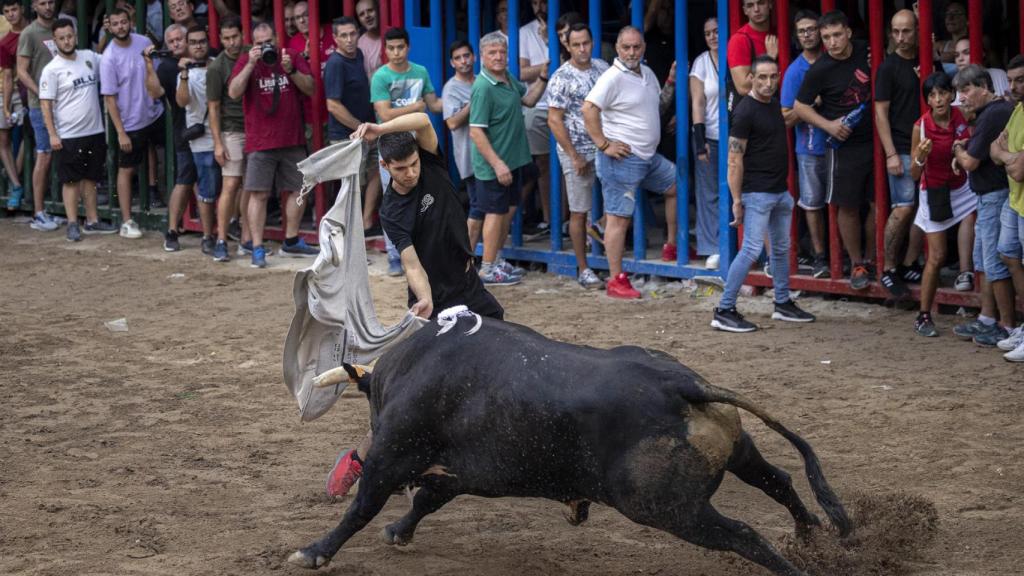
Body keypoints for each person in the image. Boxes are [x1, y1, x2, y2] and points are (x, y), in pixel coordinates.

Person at [325, 111, 505, 499]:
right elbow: (410, 262)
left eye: (413, 164)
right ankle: (359, 458)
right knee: (415, 397)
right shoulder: (392, 211)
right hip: (437, 304)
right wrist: (424, 297)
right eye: (401, 168)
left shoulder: (432, 164)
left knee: (501, 363)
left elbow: (423, 119)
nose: (410, 173)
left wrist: (378, 129)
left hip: (471, 290)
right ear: (385, 167)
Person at [711, 55, 814, 332]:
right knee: (751, 250)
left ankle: (782, 302)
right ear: (751, 79)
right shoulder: (745, 111)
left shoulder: (771, 106)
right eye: (763, 78)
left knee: (780, 249)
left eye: (773, 77)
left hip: (779, 191)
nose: (769, 83)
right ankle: (724, 308)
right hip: (756, 193)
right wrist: (736, 200)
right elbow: (734, 159)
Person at [583, 26, 678, 299]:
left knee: (675, 186)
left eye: (636, 47)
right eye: (626, 47)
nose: (632, 52)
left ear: (644, 47)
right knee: (619, 221)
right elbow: (588, 108)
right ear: (618, 49)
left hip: (646, 157)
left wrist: (670, 82)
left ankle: (672, 246)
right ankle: (615, 280)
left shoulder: (646, 73)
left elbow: (656, 107)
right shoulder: (612, 77)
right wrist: (603, 144)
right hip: (622, 158)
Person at [795, 10, 876, 290]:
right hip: (843, 147)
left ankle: (874, 258)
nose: (832, 42)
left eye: (837, 34)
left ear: (849, 33)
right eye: (826, 36)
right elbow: (799, 106)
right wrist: (828, 126)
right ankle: (857, 263)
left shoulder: (868, 49)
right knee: (848, 205)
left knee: (878, 203)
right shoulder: (820, 68)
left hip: (876, 141)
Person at [227, 21, 319, 268]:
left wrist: (292, 71)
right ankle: (257, 247)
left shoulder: (292, 57)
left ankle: (291, 240)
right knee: (258, 194)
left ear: (277, 39)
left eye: (269, 42)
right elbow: (234, 92)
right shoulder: (246, 61)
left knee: (299, 189)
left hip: (291, 138)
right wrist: (249, 63)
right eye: (259, 43)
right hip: (261, 141)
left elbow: (310, 88)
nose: (265, 47)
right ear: (252, 43)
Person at [469, 31, 546, 286]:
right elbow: (476, 131)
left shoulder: (507, 79)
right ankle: (487, 269)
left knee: (505, 213)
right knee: (494, 213)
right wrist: (497, 163)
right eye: (492, 52)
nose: (498, 56)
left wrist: (543, 77)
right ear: (482, 56)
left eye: (502, 52)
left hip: (512, 161)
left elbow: (529, 100)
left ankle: (496, 261)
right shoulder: (482, 87)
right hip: (495, 166)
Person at [950, 64, 1017, 346]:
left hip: (994, 195)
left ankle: (1005, 325)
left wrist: (957, 149)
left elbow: (971, 162)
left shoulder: (993, 113)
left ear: (984, 87)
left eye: (966, 90)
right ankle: (989, 319)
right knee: (987, 261)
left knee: (994, 261)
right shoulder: (993, 112)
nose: (962, 98)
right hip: (990, 195)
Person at [909, 72, 977, 337]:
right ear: (927, 99)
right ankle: (923, 315)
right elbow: (915, 175)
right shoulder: (921, 126)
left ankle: (969, 279)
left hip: (963, 187)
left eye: (942, 93)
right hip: (935, 190)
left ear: (951, 94)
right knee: (936, 256)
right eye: (932, 95)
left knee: (976, 217)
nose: (938, 99)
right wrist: (920, 158)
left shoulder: (962, 115)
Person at [371, 26, 442, 276]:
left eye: (400, 47)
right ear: (385, 49)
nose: (396, 52)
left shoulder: (420, 71)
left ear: (408, 47)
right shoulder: (380, 76)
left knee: (424, 196)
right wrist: (416, 108)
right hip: (391, 148)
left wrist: (465, 98)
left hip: (417, 146)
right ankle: (393, 254)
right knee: (393, 199)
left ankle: (418, 252)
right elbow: (385, 114)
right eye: (391, 48)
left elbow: (433, 104)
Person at [39, 18, 115, 241]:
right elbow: (46, 104)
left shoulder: (89, 57)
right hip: (69, 134)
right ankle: (73, 222)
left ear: (76, 36)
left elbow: (109, 61)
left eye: (69, 36)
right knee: (70, 180)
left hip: (94, 130)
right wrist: (53, 134)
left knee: (91, 178)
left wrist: (108, 34)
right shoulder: (51, 70)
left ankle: (92, 220)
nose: (66, 41)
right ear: (55, 41)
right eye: (61, 38)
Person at [547, 23, 608, 290]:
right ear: (567, 46)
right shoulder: (561, 77)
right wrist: (573, 155)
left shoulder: (602, 68)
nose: (582, 49)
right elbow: (554, 120)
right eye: (576, 44)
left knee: (621, 195)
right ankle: (583, 268)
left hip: (604, 146)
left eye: (586, 43)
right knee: (579, 211)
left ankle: (602, 230)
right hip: (578, 151)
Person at [100, 7, 165, 239]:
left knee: (177, 153)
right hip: (131, 122)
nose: (120, 27)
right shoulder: (108, 58)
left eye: (123, 22)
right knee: (126, 169)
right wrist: (120, 132)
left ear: (130, 22)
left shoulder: (144, 41)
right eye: (115, 23)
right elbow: (109, 98)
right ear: (110, 26)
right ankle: (127, 220)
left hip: (155, 113)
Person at [875, 9, 925, 299]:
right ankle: (889, 269)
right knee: (904, 206)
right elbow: (880, 112)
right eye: (895, 31)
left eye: (906, 31)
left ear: (917, 30)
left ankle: (908, 263)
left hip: (929, 146)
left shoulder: (926, 61)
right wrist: (891, 153)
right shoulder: (888, 67)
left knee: (924, 209)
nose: (900, 37)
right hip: (903, 147)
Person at [780, 9, 828, 279]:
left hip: (841, 146)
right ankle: (821, 257)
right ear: (796, 37)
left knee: (844, 205)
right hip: (809, 149)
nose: (808, 34)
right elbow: (785, 117)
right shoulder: (795, 71)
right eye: (802, 31)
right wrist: (811, 104)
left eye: (811, 29)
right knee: (811, 204)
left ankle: (844, 256)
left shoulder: (833, 61)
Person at [145, 23, 199, 252]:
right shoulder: (167, 67)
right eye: (171, 41)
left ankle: (217, 230)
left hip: (210, 129)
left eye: (180, 39)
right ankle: (172, 230)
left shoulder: (203, 57)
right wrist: (148, 64)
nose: (176, 43)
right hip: (184, 131)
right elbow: (155, 92)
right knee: (184, 180)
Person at [324, 16, 379, 236]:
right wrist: (361, 128)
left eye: (352, 34)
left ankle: (366, 223)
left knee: (376, 172)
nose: (349, 39)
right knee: (352, 188)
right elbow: (333, 105)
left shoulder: (359, 55)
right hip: (346, 136)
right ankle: (347, 236)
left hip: (365, 131)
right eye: (343, 35)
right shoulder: (335, 64)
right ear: (335, 38)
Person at [16, 0, 61, 231]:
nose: (48, 7)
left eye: (51, 2)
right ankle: (39, 212)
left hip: (64, 103)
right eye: (42, 3)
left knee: (61, 155)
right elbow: (21, 71)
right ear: (34, 6)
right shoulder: (30, 33)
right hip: (40, 105)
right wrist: (42, 93)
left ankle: (58, 208)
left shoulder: (60, 28)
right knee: (43, 155)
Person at [176, 25, 220, 258]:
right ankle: (207, 235)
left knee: (231, 186)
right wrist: (183, 74)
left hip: (225, 135)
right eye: (193, 42)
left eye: (202, 41)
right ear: (188, 45)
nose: (199, 46)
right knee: (206, 191)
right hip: (202, 141)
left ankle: (224, 230)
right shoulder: (186, 73)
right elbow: (182, 101)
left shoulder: (218, 64)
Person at [991, 55, 1024, 361]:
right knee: (1009, 256)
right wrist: (1006, 154)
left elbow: (1018, 170)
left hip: (1021, 199)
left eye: (1020, 80)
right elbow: (993, 149)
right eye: (1011, 80)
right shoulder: (1017, 110)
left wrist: (1005, 154)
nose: (1013, 86)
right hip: (1016, 202)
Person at [207, 16, 247, 261]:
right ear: (220, 39)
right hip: (232, 129)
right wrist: (218, 143)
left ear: (242, 35)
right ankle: (221, 238)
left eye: (235, 36)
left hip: (255, 128)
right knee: (231, 184)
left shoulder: (249, 56)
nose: (232, 42)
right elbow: (213, 108)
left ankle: (244, 238)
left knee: (249, 186)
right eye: (226, 38)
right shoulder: (217, 67)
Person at [518, 0, 554, 237]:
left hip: (563, 104)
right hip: (537, 103)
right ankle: (548, 220)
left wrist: (552, 42)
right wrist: (548, 66)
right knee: (540, 165)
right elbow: (520, 72)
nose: (539, 6)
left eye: (543, 1)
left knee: (565, 166)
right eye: (534, 2)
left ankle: (560, 220)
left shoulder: (565, 27)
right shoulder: (524, 31)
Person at [689, 17, 721, 270]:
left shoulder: (735, 56)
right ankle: (713, 247)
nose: (712, 36)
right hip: (709, 135)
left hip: (737, 136)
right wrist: (700, 142)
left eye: (717, 31)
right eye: (707, 33)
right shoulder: (701, 63)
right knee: (709, 193)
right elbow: (697, 102)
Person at [441, 40, 479, 246]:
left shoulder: (481, 81)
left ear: (474, 57)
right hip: (470, 157)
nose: (463, 61)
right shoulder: (451, 88)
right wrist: (475, 103)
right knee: (478, 206)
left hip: (490, 155)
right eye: (458, 58)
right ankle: (466, 255)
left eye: (466, 56)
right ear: (451, 63)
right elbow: (453, 122)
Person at [1, 0, 26, 214]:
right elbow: (8, 74)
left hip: (32, 91)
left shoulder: (33, 31)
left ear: (22, 8)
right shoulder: (6, 40)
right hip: (9, 90)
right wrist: (7, 106)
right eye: (7, 11)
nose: (11, 14)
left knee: (31, 137)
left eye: (14, 9)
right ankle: (16, 185)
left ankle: (15, 183)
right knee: (3, 139)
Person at [727, 0, 778, 98]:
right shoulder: (739, 40)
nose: (756, 9)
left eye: (761, 3)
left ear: (770, 4)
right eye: (750, 5)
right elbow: (743, 88)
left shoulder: (779, 33)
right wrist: (770, 58)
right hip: (755, 110)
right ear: (745, 10)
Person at [355, 0, 380, 78]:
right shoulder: (358, 46)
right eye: (362, 14)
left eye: (370, 10)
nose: (367, 16)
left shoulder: (393, 36)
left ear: (378, 10)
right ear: (359, 19)